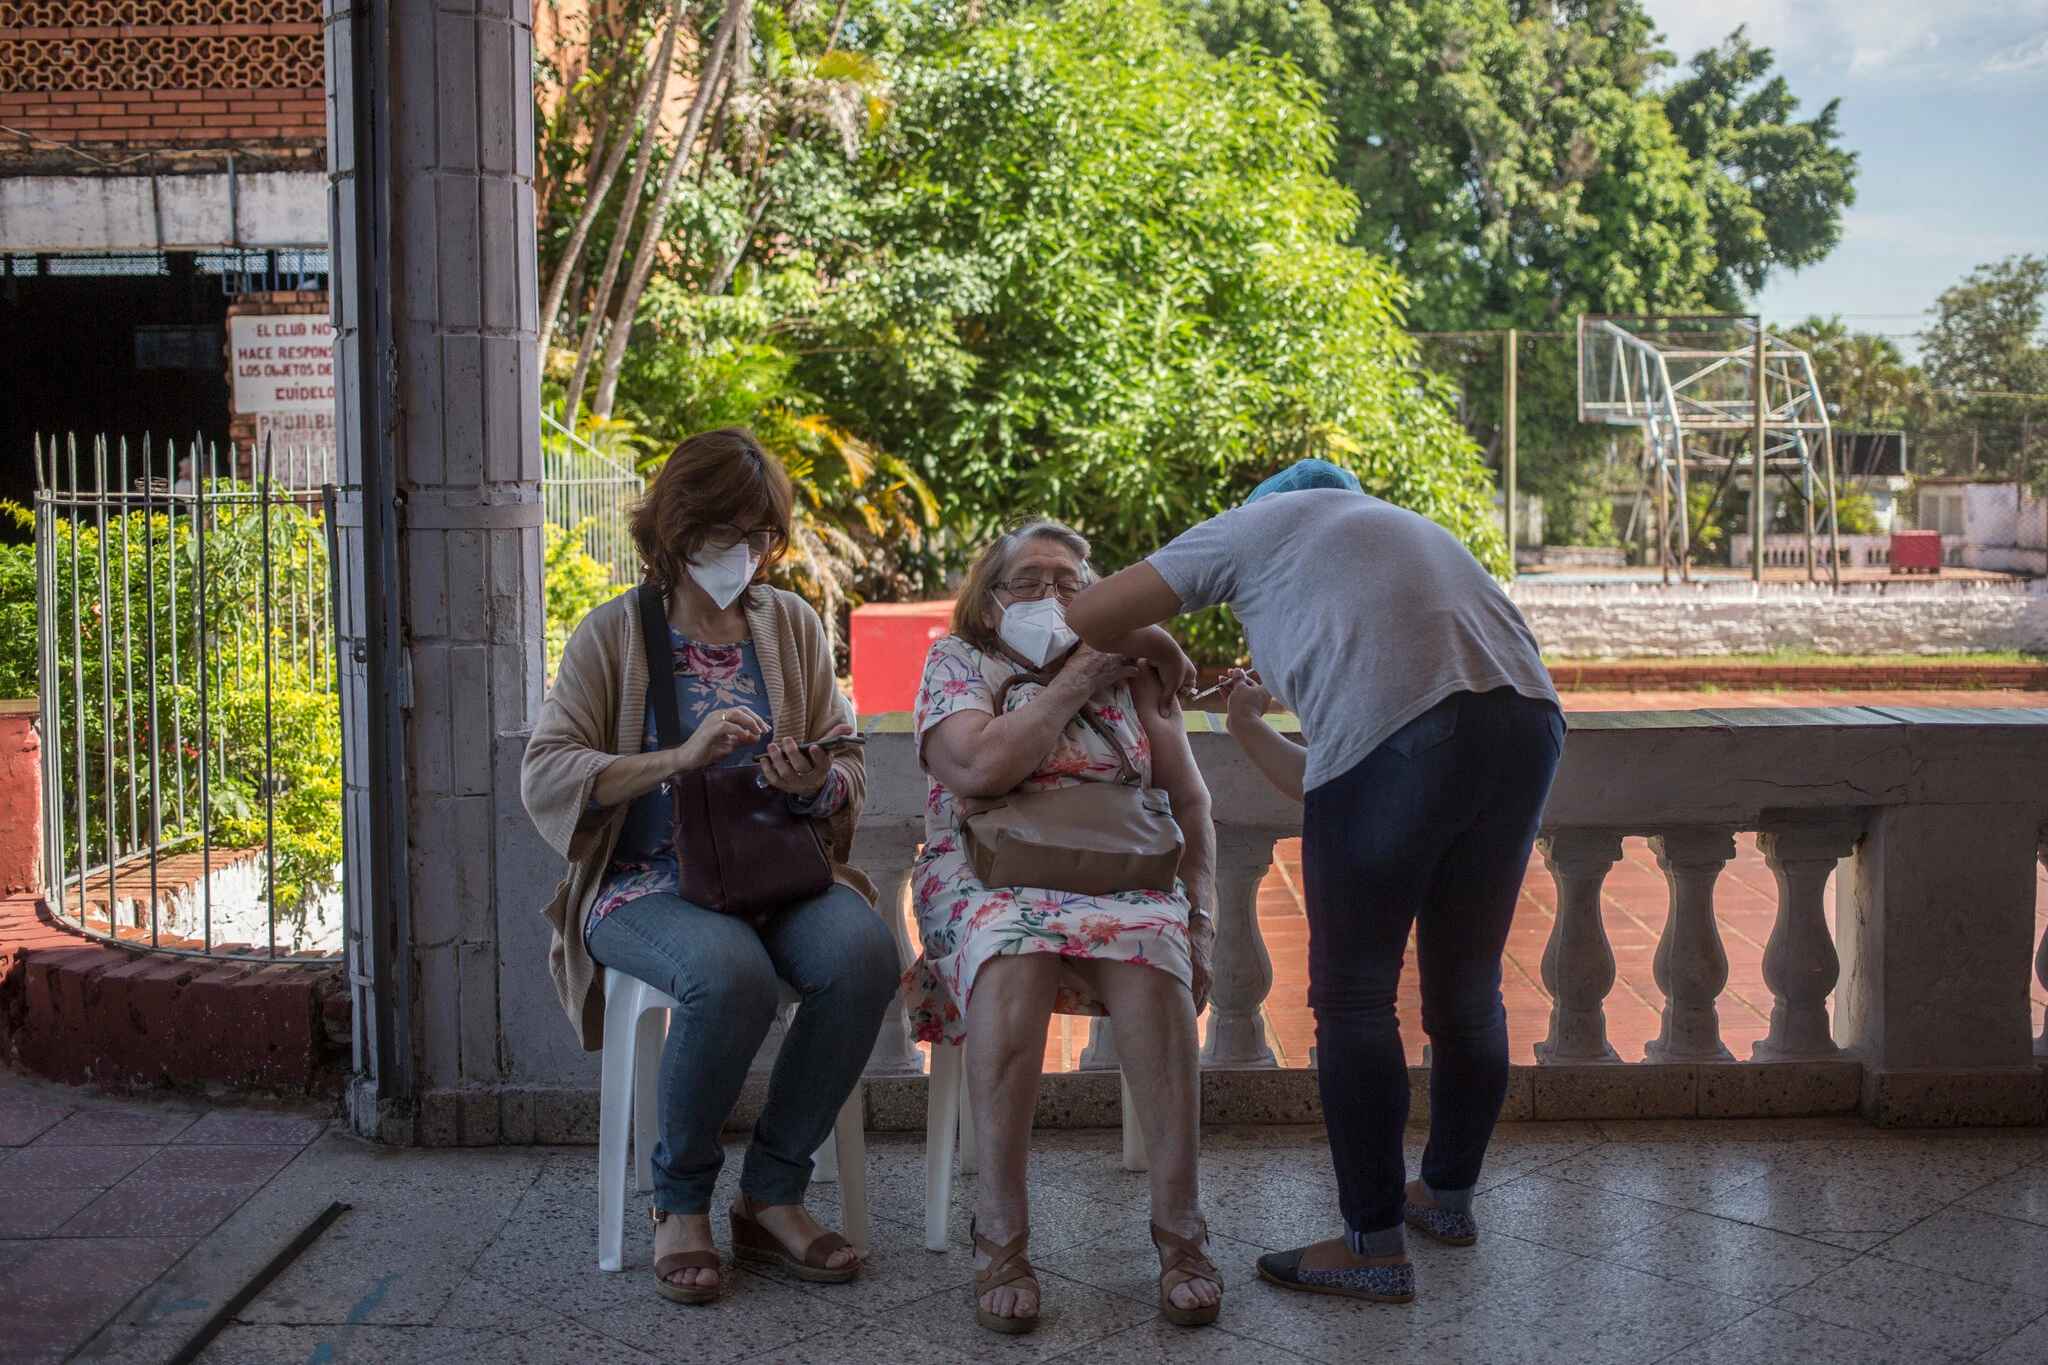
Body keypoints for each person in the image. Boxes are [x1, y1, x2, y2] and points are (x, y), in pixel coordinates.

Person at [1067, 459, 1564, 1304]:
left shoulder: (1259, 523)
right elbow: (1353, 774)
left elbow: (1088, 611)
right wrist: (1250, 718)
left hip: (1411, 732)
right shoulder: (1400, 529)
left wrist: (1160, 640)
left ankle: (1372, 1239)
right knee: (1469, 986)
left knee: (1354, 997)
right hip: (1527, 720)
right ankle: (1445, 1199)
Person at [522, 427, 898, 1304]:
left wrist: (817, 782)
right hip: (645, 882)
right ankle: (680, 1201)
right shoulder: (613, 634)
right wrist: (675, 758)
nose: (744, 553)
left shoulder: (791, 625)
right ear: (673, 527)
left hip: (771, 871)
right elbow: (545, 770)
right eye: (724, 532)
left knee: (865, 954)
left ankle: (770, 1191)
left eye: (760, 535)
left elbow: (850, 760)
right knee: (729, 974)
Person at [902, 519, 1225, 1333]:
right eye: (1030, 582)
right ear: (989, 598)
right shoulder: (957, 665)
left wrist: (1205, 914)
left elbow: (1189, 801)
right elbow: (979, 767)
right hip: (985, 872)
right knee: (1012, 951)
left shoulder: (1136, 672)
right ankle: (1000, 1231)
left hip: (1119, 869)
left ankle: (1180, 1227)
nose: (1052, 596)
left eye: (1074, 584)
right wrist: (1075, 679)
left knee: (1159, 951)